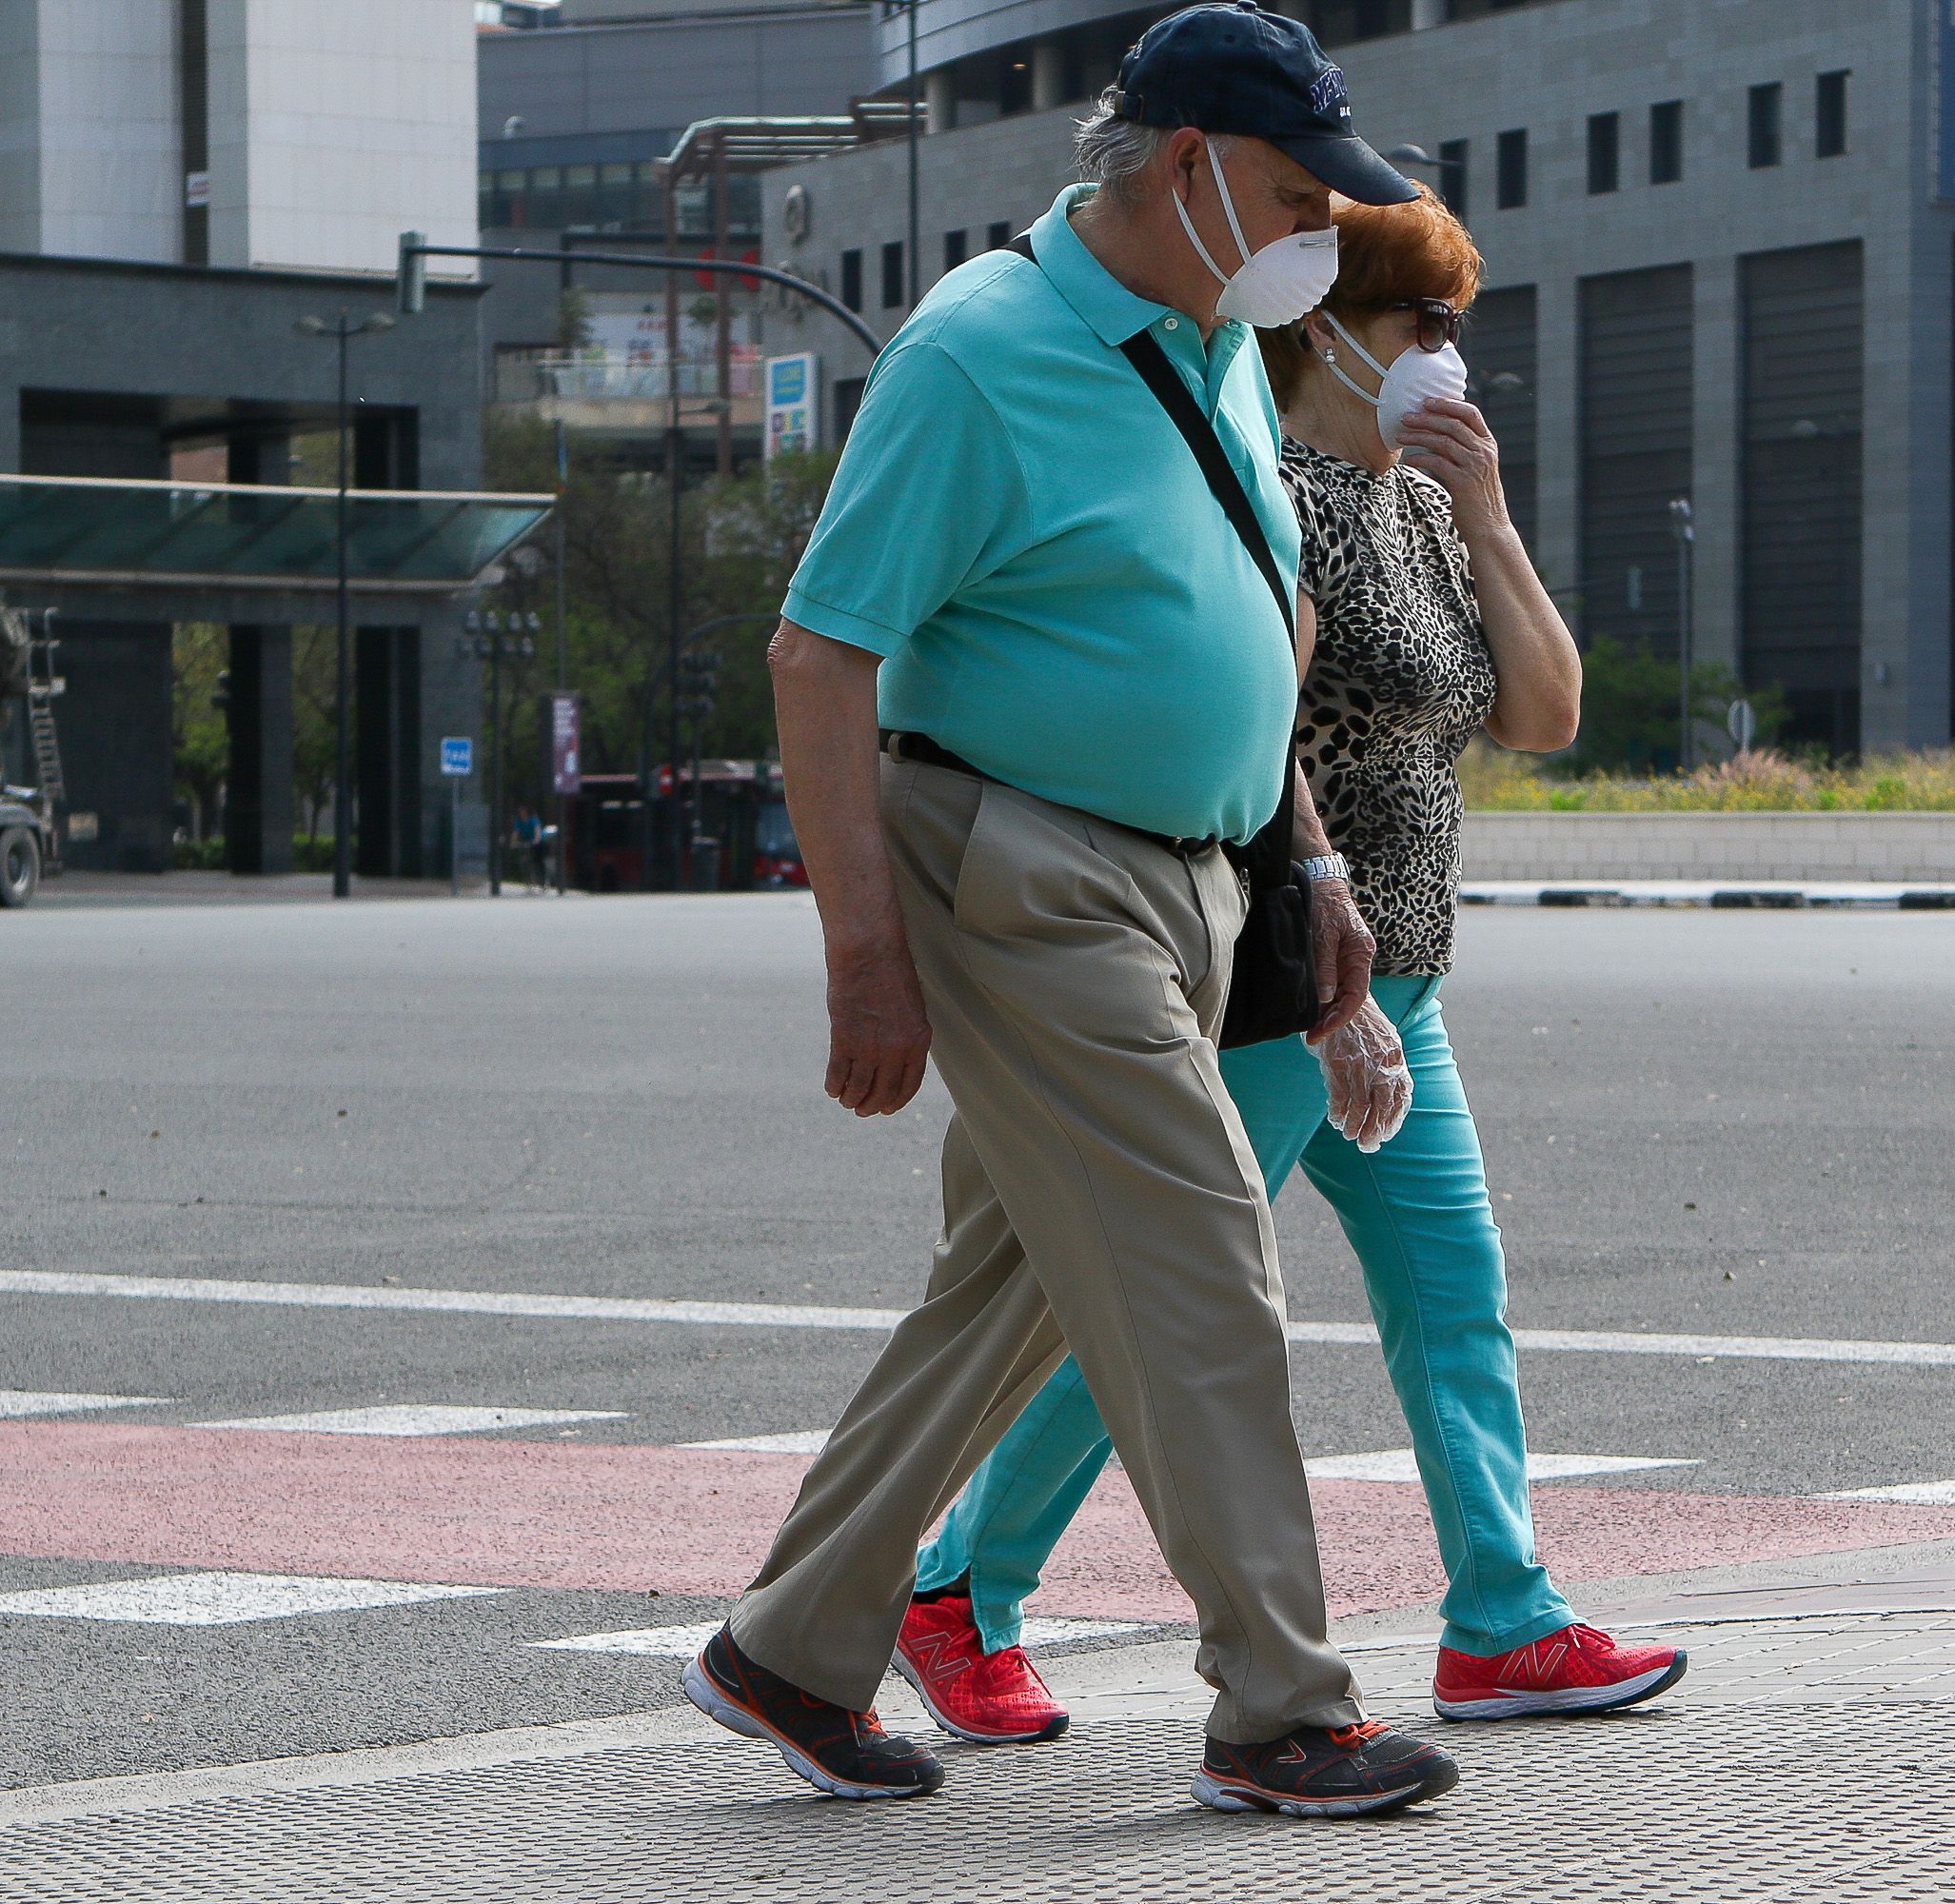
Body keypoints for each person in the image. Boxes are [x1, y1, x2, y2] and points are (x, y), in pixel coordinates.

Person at [683, 2, 1461, 1820]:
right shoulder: (979, 353)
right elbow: (822, 650)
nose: (1316, 241)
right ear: (1185, 166)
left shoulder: (1210, 342)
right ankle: (1281, 1707)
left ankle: (790, 1647)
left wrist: (1312, 861)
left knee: (1019, 1280)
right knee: (1200, 1254)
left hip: (1193, 878)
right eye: (1291, 196)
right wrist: (865, 959)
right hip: (1024, 871)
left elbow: (1253, 630)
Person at [891, 185, 1690, 1746]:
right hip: (1279, 985)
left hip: (1410, 989)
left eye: (1460, 326)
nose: (1449, 355)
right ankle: (956, 1593)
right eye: (1423, 323)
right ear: (1325, 326)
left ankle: (1503, 1623)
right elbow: (1255, 736)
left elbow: (1541, 715)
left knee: (1455, 1298)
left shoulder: (1412, 500)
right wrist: (1322, 958)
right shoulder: (1286, 495)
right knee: (1151, 1312)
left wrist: (1491, 516)